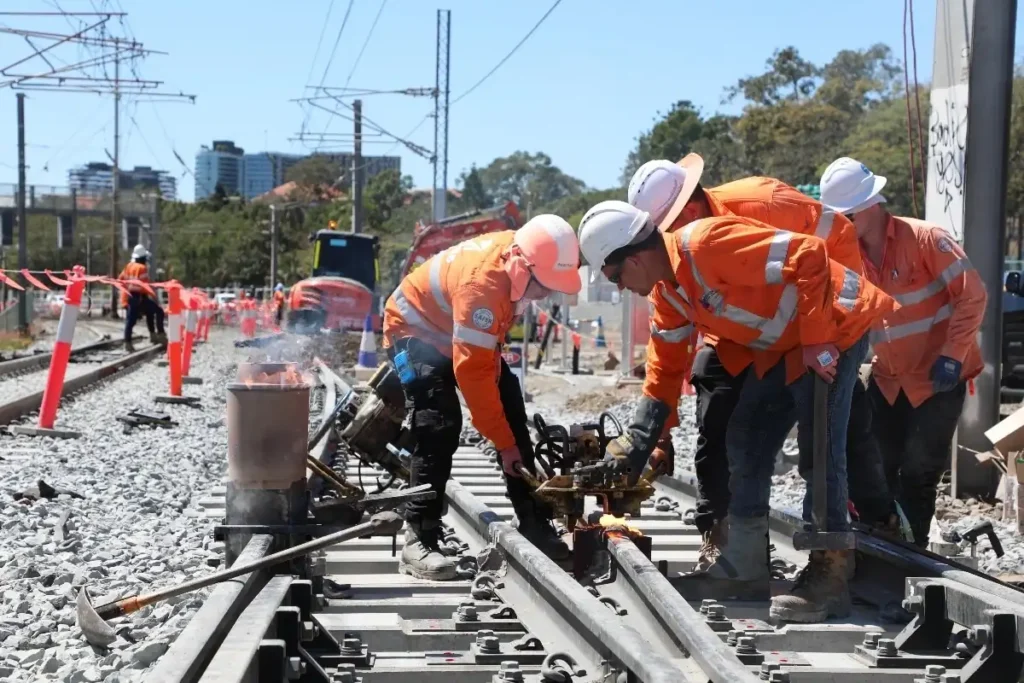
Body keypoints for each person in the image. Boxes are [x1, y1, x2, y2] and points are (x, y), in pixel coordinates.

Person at [578, 200, 895, 622]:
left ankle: (830, 577)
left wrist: (818, 338)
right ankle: (744, 567)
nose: (619, 287)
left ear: (634, 258)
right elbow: (666, 367)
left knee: (820, 446)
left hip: (833, 328)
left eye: (616, 276)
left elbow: (809, 253)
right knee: (745, 438)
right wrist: (638, 442)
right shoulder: (670, 293)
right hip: (787, 345)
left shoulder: (705, 245)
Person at [626, 156, 907, 569]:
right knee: (733, 419)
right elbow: (666, 361)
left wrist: (820, 336)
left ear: (686, 212)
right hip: (768, 334)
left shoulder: (762, 202)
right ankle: (737, 549)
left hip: (826, 323)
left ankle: (847, 551)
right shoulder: (672, 268)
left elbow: (829, 246)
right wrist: (656, 435)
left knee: (829, 431)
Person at [382, 215, 582, 580]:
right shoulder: (484, 287)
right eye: (544, 287)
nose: (546, 296)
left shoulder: (521, 252)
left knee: (510, 406)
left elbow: (478, 363)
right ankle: (419, 538)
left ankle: (534, 522)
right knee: (439, 420)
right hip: (412, 330)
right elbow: (471, 374)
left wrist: (508, 435)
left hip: (454, 329)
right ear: (523, 269)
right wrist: (503, 443)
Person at [820, 157, 987, 547]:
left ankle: (909, 554)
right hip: (889, 378)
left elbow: (972, 295)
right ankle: (881, 548)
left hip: (938, 378)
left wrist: (952, 354)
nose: (841, 226)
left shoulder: (926, 239)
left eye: (847, 216)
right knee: (876, 469)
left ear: (869, 206)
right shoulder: (850, 257)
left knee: (919, 471)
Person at [118, 244, 165, 351]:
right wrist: (154, 297)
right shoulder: (142, 268)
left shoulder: (128, 266)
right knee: (158, 311)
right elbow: (145, 286)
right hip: (139, 297)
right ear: (143, 258)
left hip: (129, 297)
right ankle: (159, 335)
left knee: (131, 320)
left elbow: (120, 280)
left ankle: (128, 343)